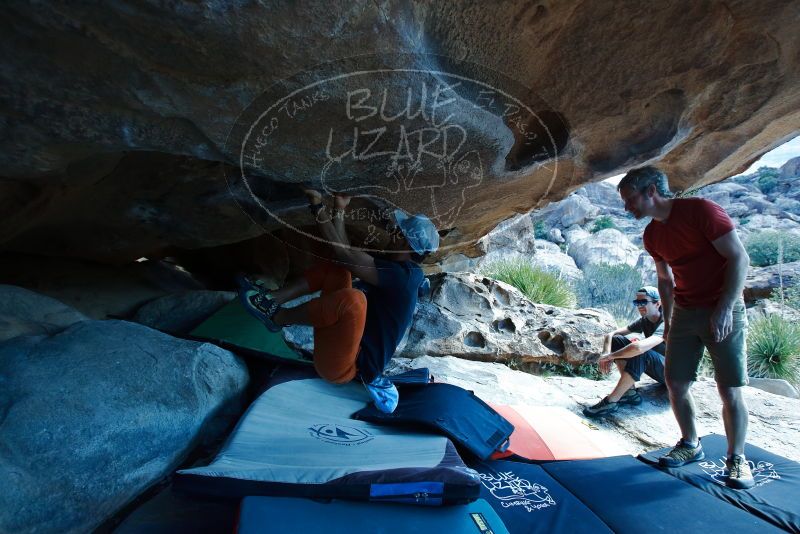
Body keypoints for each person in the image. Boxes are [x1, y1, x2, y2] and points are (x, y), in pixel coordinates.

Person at [238, 188, 439, 414]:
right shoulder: (397, 267)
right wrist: (339, 209)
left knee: (354, 300)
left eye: (398, 231)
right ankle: (271, 298)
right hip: (344, 346)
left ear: (405, 242)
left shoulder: (404, 276)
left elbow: (344, 253)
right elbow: (345, 255)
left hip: (345, 368)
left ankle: (278, 315)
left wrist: (317, 206)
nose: (392, 231)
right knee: (338, 270)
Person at [617, 166, 753, 489]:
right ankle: (690, 443)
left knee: (729, 389)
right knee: (676, 383)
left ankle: (736, 459)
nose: (627, 207)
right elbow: (665, 280)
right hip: (686, 311)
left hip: (725, 307)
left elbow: (740, 259)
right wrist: (670, 320)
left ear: (651, 191)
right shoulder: (652, 235)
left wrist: (723, 309)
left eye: (630, 199)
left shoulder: (702, 212)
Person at [583, 286, 666, 418]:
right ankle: (629, 392)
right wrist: (605, 352)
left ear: (657, 303)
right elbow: (611, 334)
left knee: (640, 350)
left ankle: (611, 402)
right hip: (660, 365)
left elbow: (638, 348)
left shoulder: (667, 322)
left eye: (643, 302)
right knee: (617, 341)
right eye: (637, 303)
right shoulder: (645, 320)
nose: (639, 306)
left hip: (675, 375)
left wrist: (610, 357)